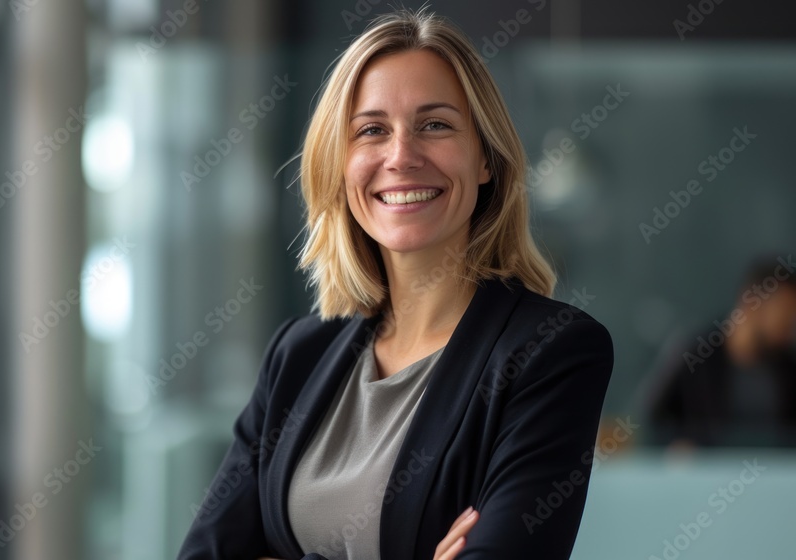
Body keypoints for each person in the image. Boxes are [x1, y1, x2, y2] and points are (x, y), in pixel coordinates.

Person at [177, 8, 613, 560]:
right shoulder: (297, 356)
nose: (401, 156)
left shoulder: (551, 351)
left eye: (435, 124)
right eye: (372, 130)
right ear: (339, 164)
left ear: (485, 159)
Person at [641, 257, 796, 448]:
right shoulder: (696, 354)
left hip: (771, 474)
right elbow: (652, 419)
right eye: (784, 314)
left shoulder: (786, 365)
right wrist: (678, 445)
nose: (788, 326)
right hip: (706, 475)